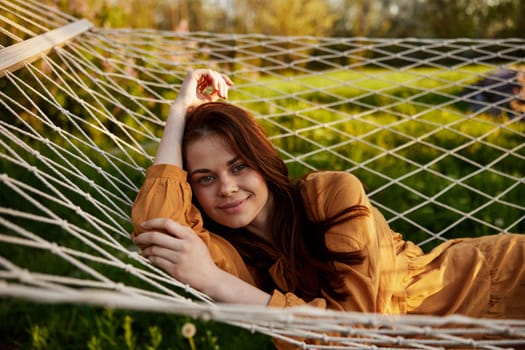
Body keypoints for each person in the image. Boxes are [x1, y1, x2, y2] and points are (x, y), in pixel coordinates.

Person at [131, 69, 525, 321]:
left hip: (499, 284)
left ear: (263, 162)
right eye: (204, 178)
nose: (228, 188)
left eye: (239, 167)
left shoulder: (331, 193)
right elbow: (157, 226)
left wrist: (215, 282)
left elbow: (365, 330)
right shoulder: (237, 255)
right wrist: (178, 114)